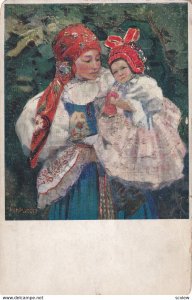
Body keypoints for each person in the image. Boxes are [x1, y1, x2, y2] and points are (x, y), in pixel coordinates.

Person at [16, 23, 115, 220]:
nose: (96, 65)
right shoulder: (58, 100)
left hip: (113, 172)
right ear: (69, 63)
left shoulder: (108, 87)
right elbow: (64, 141)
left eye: (98, 58)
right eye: (88, 59)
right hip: (79, 180)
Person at [94, 28, 186, 217]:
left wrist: (126, 104)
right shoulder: (118, 85)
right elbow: (113, 103)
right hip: (126, 126)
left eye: (123, 68)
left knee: (145, 155)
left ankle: (140, 192)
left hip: (146, 126)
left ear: (133, 64)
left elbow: (153, 104)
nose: (119, 73)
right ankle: (130, 194)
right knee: (120, 154)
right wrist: (111, 106)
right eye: (115, 71)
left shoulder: (144, 83)